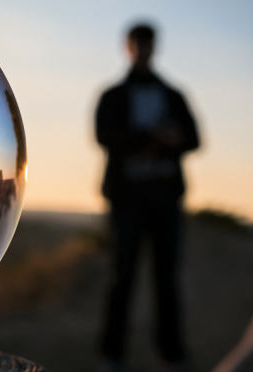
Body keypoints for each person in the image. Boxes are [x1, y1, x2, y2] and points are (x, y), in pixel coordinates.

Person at [95, 23, 200, 371]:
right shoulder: (113, 95)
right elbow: (104, 136)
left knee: (167, 278)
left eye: (148, 45)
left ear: (155, 47)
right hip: (127, 198)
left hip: (166, 197)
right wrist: (152, 137)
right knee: (121, 275)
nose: (143, 51)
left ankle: (172, 353)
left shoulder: (173, 94)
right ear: (129, 47)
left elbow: (194, 139)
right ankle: (113, 354)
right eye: (138, 45)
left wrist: (166, 140)